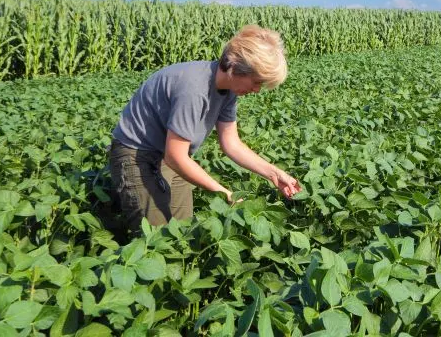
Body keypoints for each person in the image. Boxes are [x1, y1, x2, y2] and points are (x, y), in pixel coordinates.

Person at [108, 24, 301, 233]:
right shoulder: (194, 89)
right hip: (137, 155)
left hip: (169, 155)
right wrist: (225, 193)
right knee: (157, 237)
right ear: (236, 67)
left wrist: (275, 174)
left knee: (183, 231)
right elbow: (176, 156)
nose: (256, 90)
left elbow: (231, 143)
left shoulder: (228, 91)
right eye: (256, 82)